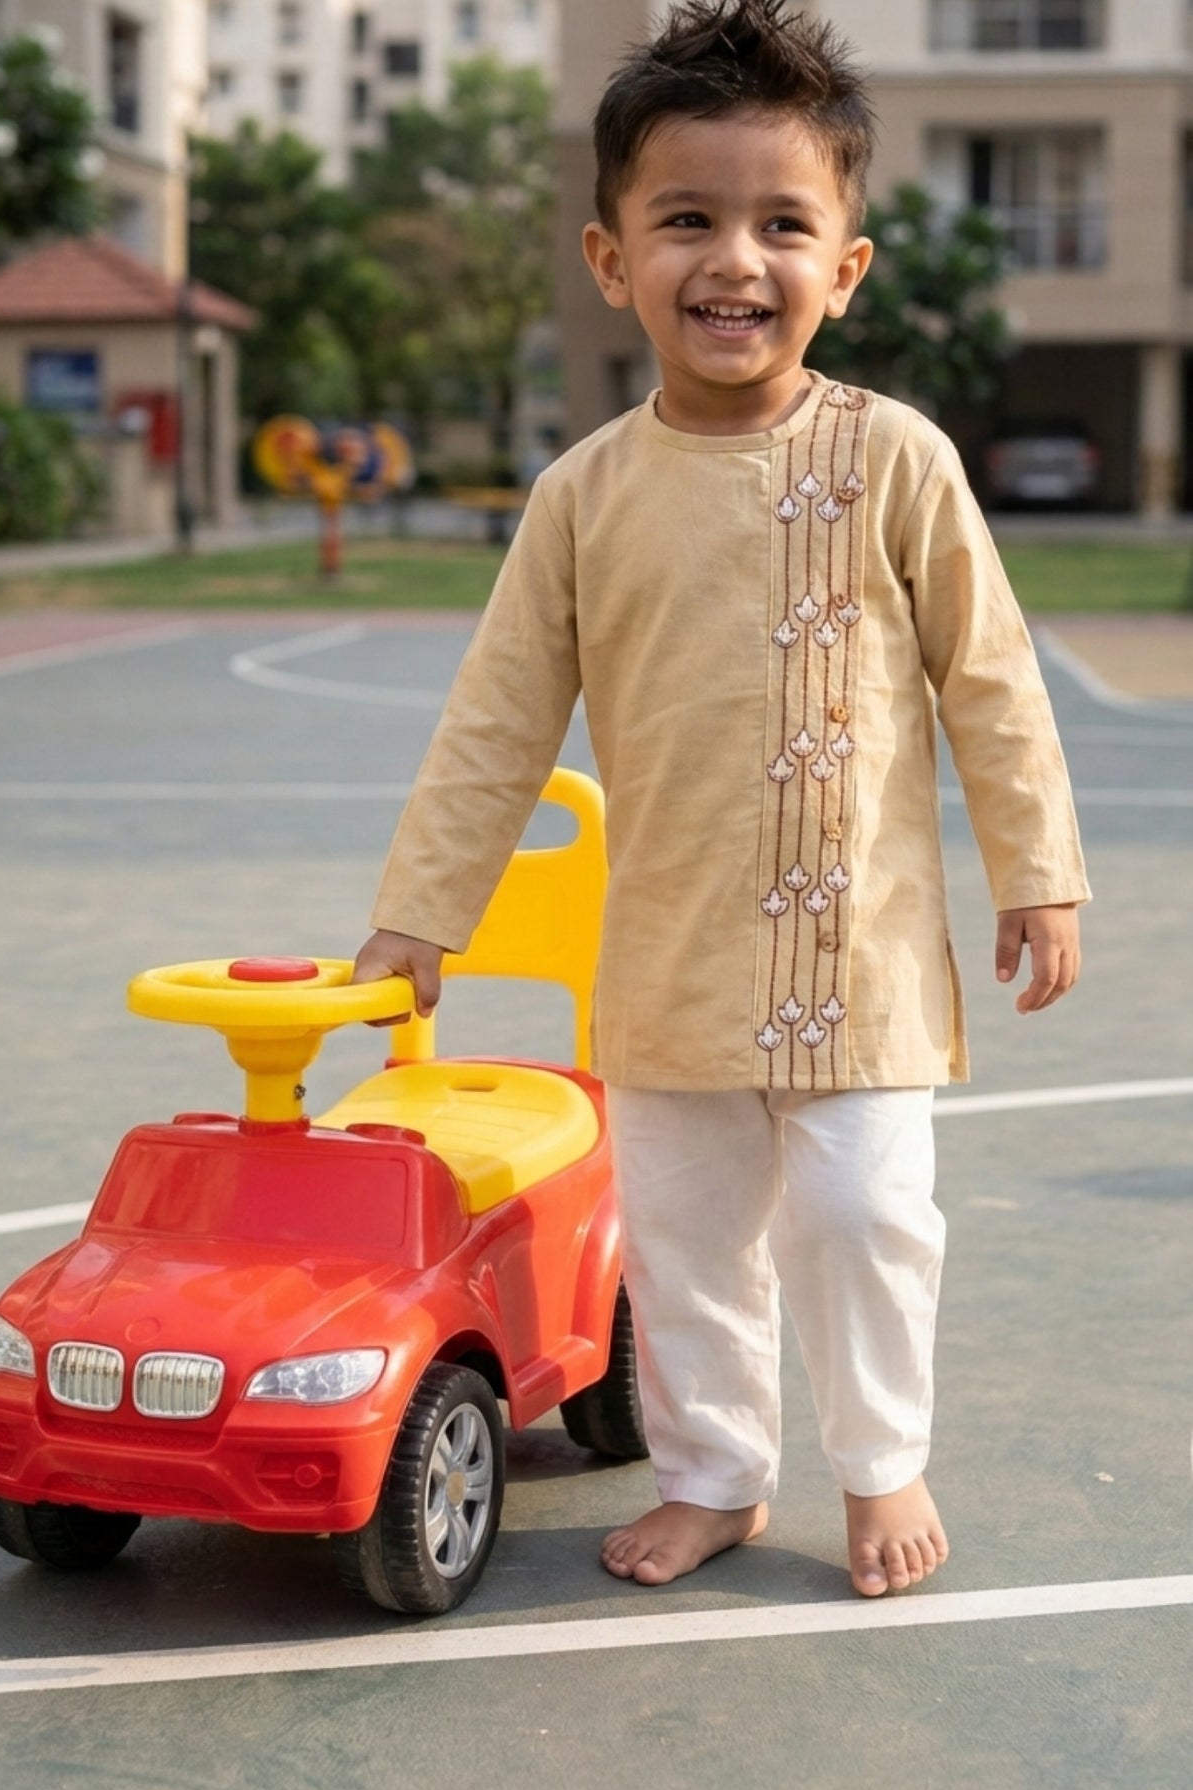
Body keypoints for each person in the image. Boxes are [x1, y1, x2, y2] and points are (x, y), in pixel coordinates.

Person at [350, 0, 1089, 1599]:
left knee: (862, 1217)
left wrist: (1037, 869)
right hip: (670, 964)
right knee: (685, 1243)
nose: (734, 261)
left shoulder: (896, 460)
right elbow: (496, 719)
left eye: (781, 225)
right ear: (611, 258)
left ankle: (878, 1460)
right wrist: (421, 915)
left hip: (861, 960)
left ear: (846, 266)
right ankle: (714, 1475)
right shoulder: (581, 495)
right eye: (686, 219)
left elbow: (989, 678)